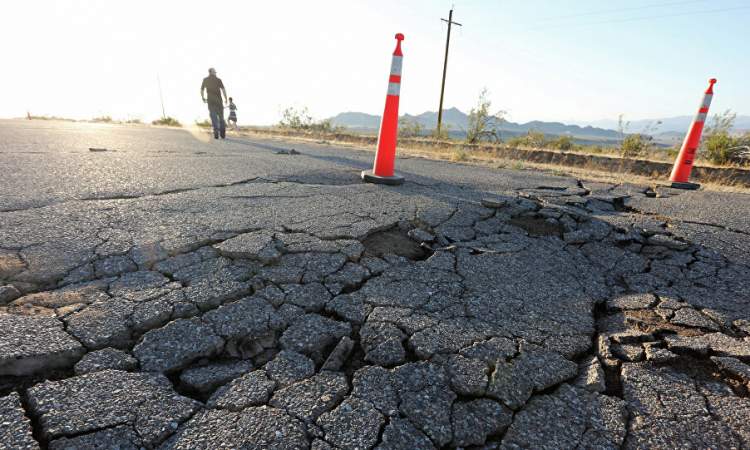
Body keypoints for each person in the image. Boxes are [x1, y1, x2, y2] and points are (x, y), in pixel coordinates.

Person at [200, 67, 228, 139]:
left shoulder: (205, 80)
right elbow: (223, 89)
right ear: (211, 72)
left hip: (210, 101)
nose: (215, 73)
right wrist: (226, 99)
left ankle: (216, 131)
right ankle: (222, 133)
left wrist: (203, 97)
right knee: (221, 117)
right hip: (218, 101)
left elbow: (202, 89)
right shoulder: (218, 80)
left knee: (213, 116)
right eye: (215, 72)